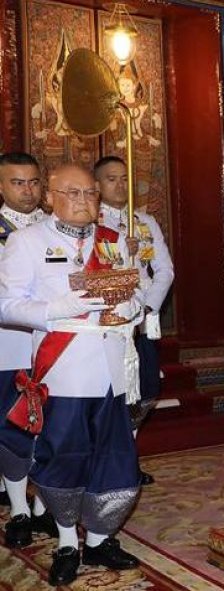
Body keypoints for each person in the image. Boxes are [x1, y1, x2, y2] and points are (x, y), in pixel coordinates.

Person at [0, 163, 144, 585]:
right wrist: (54, 311)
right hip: (62, 369)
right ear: (50, 197)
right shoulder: (27, 242)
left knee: (116, 457)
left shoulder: (113, 241)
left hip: (114, 370)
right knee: (64, 456)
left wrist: (132, 308)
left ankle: (99, 540)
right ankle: (66, 540)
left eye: (91, 194)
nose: (85, 202)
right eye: (73, 193)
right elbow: (6, 304)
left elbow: (131, 290)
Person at [95, 155, 175, 486]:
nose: (119, 185)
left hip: (141, 319)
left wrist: (148, 307)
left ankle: (127, 453)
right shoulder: (90, 223)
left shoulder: (144, 221)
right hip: (107, 322)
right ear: (97, 186)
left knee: (145, 387)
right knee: (110, 390)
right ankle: (105, 459)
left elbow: (165, 270)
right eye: (111, 179)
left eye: (124, 178)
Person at [0, 152, 57, 546]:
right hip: (8, 343)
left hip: (51, 345)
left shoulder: (56, 227)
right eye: (18, 183)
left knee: (49, 428)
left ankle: (44, 508)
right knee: (12, 427)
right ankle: (19, 508)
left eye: (34, 182)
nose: (28, 190)